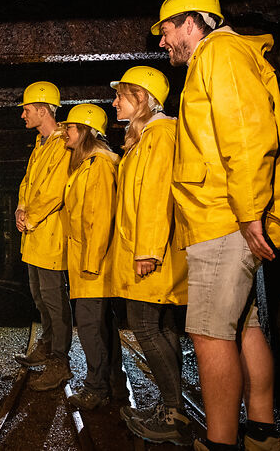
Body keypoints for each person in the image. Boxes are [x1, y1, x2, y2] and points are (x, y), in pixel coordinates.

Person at [152, 0, 280, 451]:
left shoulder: (221, 52)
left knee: (209, 332)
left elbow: (248, 133)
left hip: (225, 217)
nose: (163, 43)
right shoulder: (219, 57)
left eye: (167, 30)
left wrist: (250, 211)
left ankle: (219, 443)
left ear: (193, 23)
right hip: (230, 214)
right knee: (243, 326)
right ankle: (260, 431)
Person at [105, 66, 190, 444]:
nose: (114, 102)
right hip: (150, 250)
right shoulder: (145, 138)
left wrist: (148, 251)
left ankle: (174, 414)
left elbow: (157, 196)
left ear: (141, 97)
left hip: (154, 252)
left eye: (120, 95)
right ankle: (173, 409)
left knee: (142, 324)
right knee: (163, 327)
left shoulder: (161, 134)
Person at [58, 103, 126, 409]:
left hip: (93, 260)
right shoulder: (88, 163)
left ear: (85, 130)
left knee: (88, 324)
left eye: (70, 128)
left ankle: (96, 388)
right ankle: (114, 384)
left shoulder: (98, 165)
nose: (65, 134)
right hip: (89, 257)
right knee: (102, 324)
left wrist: (91, 262)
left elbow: (99, 217)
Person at [13, 81, 73, 392]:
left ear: (42, 110)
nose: (22, 114)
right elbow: (28, 184)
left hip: (50, 236)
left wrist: (31, 215)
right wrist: (21, 208)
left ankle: (60, 363)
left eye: (26, 109)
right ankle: (48, 346)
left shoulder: (63, 143)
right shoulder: (41, 144)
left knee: (54, 300)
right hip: (34, 237)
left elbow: (54, 190)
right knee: (40, 297)